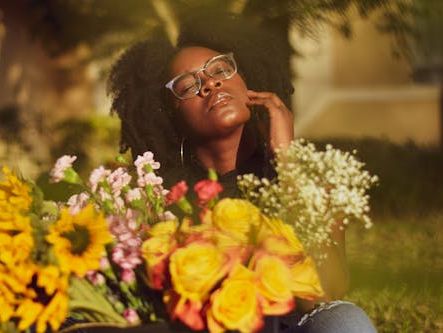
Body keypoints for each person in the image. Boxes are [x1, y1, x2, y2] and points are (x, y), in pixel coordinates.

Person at [109, 12, 377, 333]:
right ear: (169, 114)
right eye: (187, 84)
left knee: (345, 319)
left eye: (221, 69)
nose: (210, 83)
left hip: (291, 325)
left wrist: (287, 163)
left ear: (246, 80)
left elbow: (325, 290)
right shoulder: (162, 200)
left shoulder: (311, 180)